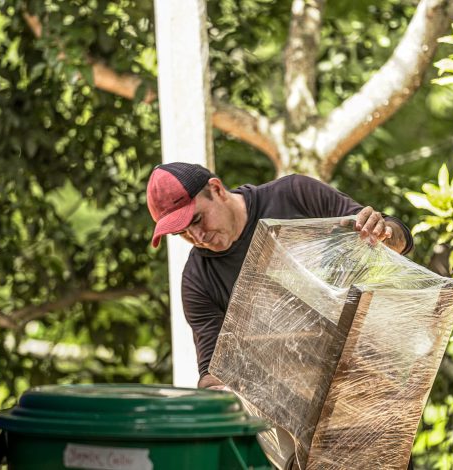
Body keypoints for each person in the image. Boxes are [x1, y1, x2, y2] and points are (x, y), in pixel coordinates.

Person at [146, 162, 414, 390]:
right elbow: (213, 368)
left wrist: (381, 231)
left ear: (216, 189)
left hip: (365, 377)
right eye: (181, 233)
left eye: (196, 220)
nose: (197, 237)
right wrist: (216, 389)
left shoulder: (295, 195)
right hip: (285, 416)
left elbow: (397, 239)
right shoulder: (197, 281)